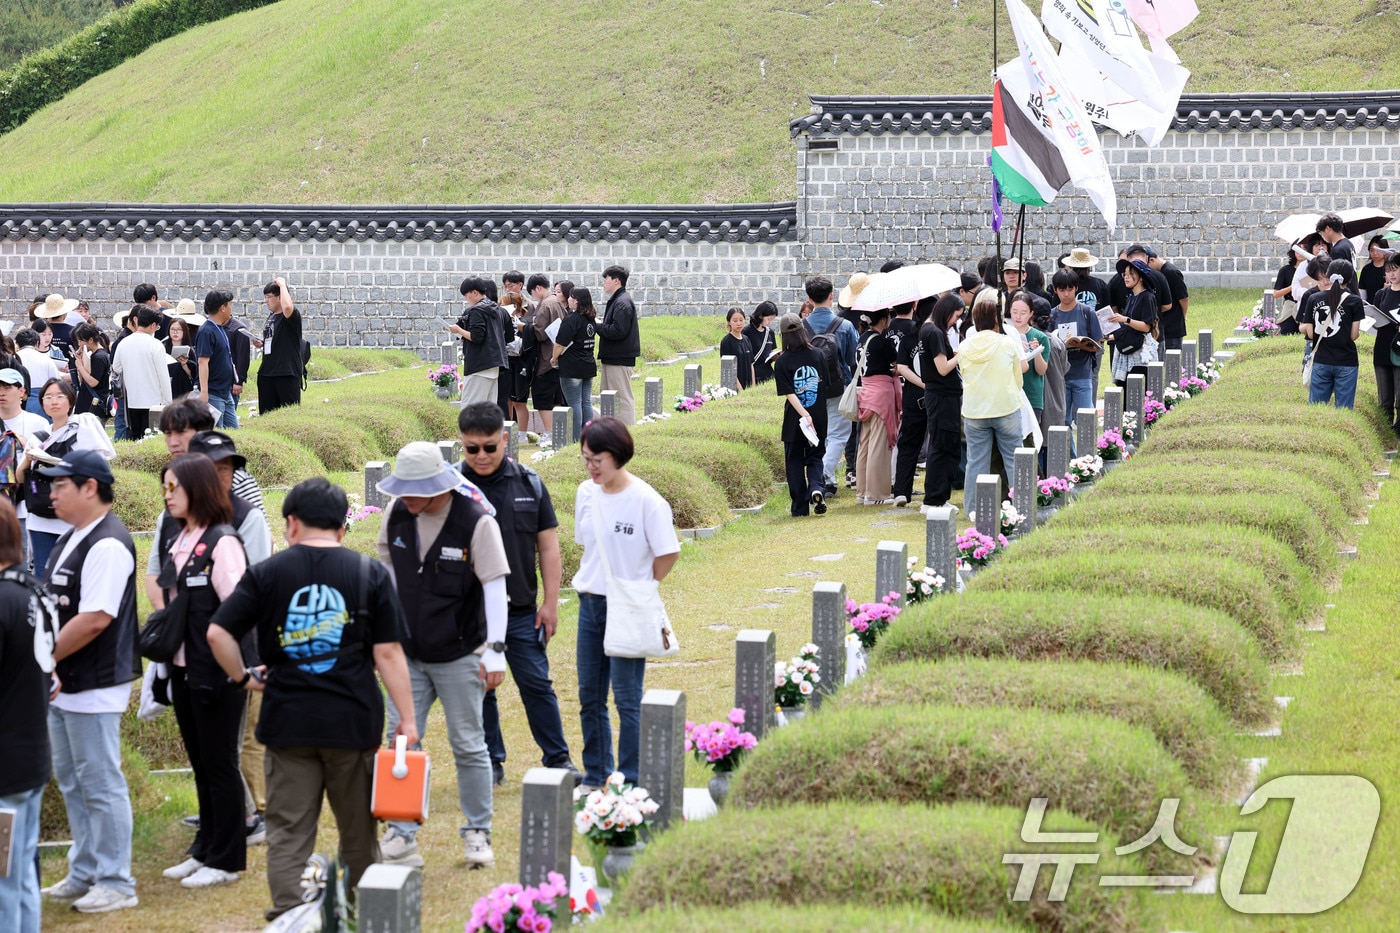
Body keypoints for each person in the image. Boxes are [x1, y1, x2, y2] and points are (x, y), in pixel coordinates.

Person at [205, 478, 417, 922]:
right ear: (343, 528)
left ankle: (289, 917)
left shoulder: (267, 573)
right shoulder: (368, 573)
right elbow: (389, 653)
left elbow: (218, 632)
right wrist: (408, 721)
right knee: (358, 832)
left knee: (288, 832)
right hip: (353, 723)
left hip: (287, 723)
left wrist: (242, 678)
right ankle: (360, 917)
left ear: (291, 523)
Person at [374, 443, 510, 870]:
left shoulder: (475, 521)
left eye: (415, 491)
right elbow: (389, 575)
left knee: (469, 744)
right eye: (403, 490)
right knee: (400, 742)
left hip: (460, 652)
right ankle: (400, 833)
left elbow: (494, 587)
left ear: (438, 487)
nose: (407, 498)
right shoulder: (396, 514)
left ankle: (476, 832)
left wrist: (496, 651)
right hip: (407, 654)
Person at [154, 430, 273, 836]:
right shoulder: (173, 524)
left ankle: (245, 817)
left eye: (228, 469)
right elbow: (161, 579)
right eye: (214, 469)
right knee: (208, 755)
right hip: (188, 655)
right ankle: (218, 825)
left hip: (227, 656)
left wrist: (244, 662)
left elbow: (248, 596)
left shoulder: (238, 523)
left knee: (233, 747)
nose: (223, 477)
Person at [455, 403, 581, 786]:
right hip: (469, 613)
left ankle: (558, 760)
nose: (481, 456)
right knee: (481, 689)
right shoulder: (452, 489)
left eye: (489, 448)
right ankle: (490, 762)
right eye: (471, 449)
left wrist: (550, 604)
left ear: (504, 440)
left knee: (537, 685)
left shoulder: (529, 483)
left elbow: (548, 547)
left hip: (522, 609)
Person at [39, 450, 140, 914]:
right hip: (65, 681)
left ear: (90, 488)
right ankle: (85, 871)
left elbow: (96, 617)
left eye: (61, 485)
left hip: (95, 681)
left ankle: (117, 880)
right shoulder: (73, 537)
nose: (51, 492)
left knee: (100, 781)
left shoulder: (108, 543)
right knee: (73, 780)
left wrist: (41, 657)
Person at [148, 455, 249, 890]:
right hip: (184, 669)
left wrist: (233, 668)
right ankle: (205, 847)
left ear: (199, 490)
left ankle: (226, 859)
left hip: (217, 673)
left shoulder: (222, 541)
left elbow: (238, 611)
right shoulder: (182, 535)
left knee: (220, 764)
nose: (168, 496)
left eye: (175, 488)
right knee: (201, 764)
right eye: (165, 488)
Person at [573, 418, 680, 789]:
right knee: (590, 695)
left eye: (597, 459)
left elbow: (667, 553)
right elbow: (585, 545)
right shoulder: (586, 494)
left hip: (628, 606)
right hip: (590, 603)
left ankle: (631, 777)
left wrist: (642, 585)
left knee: (627, 697)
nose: (591, 467)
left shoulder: (647, 501)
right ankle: (596, 771)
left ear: (618, 455)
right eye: (585, 458)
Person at [0, 495, 59, 933]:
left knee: (3, 882)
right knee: (19, 874)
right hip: (32, 751)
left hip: (4, 762)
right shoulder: (36, 591)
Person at [18, 379, 115, 574]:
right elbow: (20, 477)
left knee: (74, 575)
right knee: (43, 575)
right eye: (48, 397)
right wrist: (29, 460)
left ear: (71, 401)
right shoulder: (38, 437)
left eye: (60, 397)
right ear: (42, 403)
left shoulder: (83, 430)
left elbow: (98, 470)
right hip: (40, 517)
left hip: (74, 518)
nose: (54, 401)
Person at [958, 300, 1024, 497]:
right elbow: (1017, 379)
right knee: (1014, 460)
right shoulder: (1007, 343)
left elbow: (964, 373)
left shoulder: (964, 346)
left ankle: (973, 509)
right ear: (997, 319)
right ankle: (1021, 507)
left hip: (974, 411)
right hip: (1006, 408)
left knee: (975, 462)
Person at [803, 277, 858, 496]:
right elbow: (853, 359)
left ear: (809, 298)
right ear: (832, 296)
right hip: (838, 386)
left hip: (808, 388)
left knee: (817, 434)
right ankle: (823, 477)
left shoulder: (801, 326)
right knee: (838, 435)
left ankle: (822, 479)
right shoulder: (844, 326)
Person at [773, 313, 828, 516]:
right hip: (819, 416)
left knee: (794, 461)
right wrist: (812, 415)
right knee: (815, 457)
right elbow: (825, 385)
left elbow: (790, 393)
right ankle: (816, 487)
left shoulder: (782, 362)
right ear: (803, 331)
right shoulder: (819, 355)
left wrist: (804, 415)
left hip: (795, 419)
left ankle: (799, 508)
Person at [1300, 260, 1365, 409]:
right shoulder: (1355, 301)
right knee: (1344, 410)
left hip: (1321, 360)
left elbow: (1310, 334)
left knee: (1316, 409)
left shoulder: (1313, 298)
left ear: (1329, 275)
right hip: (1346, 361)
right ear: (1349, 280)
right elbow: (1353, 336)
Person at [1050, 268, 1103, 448]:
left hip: (1082, 372)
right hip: (1060, 376)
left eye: (1070, 289)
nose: (1066, 294)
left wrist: (1082, 344)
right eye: (1062, 290)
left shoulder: (1087, 312)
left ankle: (1088, 456)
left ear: (1076, 289)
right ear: (1055, 290)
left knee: (1085, 417)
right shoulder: (1052, 315)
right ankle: (1070, 456)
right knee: (1061, 420)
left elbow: (1098, 342)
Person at [854, 308, 900, 506]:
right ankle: (875, 494)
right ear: (883, 319)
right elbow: (896, 362)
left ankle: (862, 491)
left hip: (865, 392)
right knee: (878, 446)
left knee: (865, 444)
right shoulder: (882, 341)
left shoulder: (862, 338)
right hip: (881, 394)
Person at [892, 296, 934, 507]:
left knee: (908, 443)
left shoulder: (909, 338)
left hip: (912, 397)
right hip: (935, 397)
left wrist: (919, 384)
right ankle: (933, 492)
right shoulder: (936, 335)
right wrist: (928, 385)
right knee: (936, 444)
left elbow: (901, 367)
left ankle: (901, 491)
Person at [111, 307, 171, 438]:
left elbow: (116, 368)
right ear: (153, 325)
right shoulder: (156, 345)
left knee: (135, 438)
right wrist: (168, 402)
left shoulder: (123, 343)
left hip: (132, 401)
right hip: (154, 402)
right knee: (152, 439)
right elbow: (163, 377)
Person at [451, 277, 509, 407]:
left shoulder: (476, 311)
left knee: (470, 408)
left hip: (479, 365)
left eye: (466, 295)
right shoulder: (494, 308)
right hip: (493, 365)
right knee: (488, 410)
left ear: (475, 293)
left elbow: (477, 337)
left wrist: (458, 330)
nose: (466, 299)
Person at [553, 287, 598, 441]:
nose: (569, 300)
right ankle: (588, 435)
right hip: (588, 364)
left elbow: (559, 343)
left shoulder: (571, 319)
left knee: (575, 403)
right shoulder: (590, 317)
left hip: (572, 366)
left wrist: (554, 358)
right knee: (586, 402)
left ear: (577, 300)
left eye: (571, 297)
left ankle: (576, 438)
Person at [1108, 259, 1161, 387]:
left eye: (1130, 274)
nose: (1126, 277)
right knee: (1123, 387)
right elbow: (1127, 328)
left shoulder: (1147, 297)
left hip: (1141, 353)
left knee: (1137, 389)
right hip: (1127, 349)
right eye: (1124, 274)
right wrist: (1109, 337)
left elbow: (1146, 327)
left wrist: (1125, 320)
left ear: (1141, 277)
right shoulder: (1132, 296)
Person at [597, 266, 640, 425]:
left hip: (620, 357)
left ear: (616, 281)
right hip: (612, 357)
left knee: (621, 397)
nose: (603, 283)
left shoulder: (622, 302)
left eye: (606, 279)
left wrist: (597, 326)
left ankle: (627, 431)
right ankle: (611, 430)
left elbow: (618, 331)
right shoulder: (617, 300)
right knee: (608, 395)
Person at [1126, 245, 1189, 352]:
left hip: (1173, 324)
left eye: (1146, 265)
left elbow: (1184, 298)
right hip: (1161, 324)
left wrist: (1183, 315)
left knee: (1171, 359)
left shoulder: (1170, 272)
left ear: (1150, 260)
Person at [1007, 292, 1050, 443]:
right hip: (1009, 394)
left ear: (1031, 314)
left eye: (1023, 313)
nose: (1018, 317)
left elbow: (1041, 370)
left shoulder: (1040, 336)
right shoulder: (1005, 334)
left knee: (1031, 440)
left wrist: (1036, 351)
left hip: (1032, 393)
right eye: (1014, 312)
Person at [256, 278, 303, 414]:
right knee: (266, 415)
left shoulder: (290, 316)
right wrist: (262, 343)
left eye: (269, 297)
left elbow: (287, 307)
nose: (266, 301)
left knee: (289, 415)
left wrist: (282, 284)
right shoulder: (271, 317)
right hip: (267, 372)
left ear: (280, 297)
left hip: (286, 373)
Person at [196, 291, 239, 429]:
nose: (231, 309)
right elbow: (202, 362)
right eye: (230, 305)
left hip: (225, 391)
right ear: (223, 308)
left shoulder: (219, 328)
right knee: (216, 434)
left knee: (234, 431)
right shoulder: (206, 331)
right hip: (213, 393)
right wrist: (204, 392)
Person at [528, 275, 565, 435]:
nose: (533, 297)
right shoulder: (556, 301)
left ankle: (550, 433)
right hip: (558, 357)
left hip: (546, 359)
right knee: (556, 398)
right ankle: (558, 433)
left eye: (532, 293)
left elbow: (539, 333)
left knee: (543, 398)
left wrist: (524, 326)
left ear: (538, 288)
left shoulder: (546, 304)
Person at [1373, 253, 1400, 432]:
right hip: (1382, 349)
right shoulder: (1381, 294)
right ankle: (1386, 433)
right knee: (1384, 399)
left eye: (1395, 269)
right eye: (1388, 271)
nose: (1391, 274)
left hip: (1399, 351)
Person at [14, 329, 60, 419]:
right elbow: (57, 383)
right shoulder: (46, 359)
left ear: (18, 344)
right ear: (37, 343)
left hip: (18, 402)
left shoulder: (14, 359)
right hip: (42, 404)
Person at [719, 307, 756, 389]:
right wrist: (741, 390)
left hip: (749, 387)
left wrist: (753, 387)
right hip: (735, 388)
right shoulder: (726, 342)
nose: (739, 323)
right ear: (729, 322)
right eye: (735, 321)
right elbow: (729, 369)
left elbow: (751, 364)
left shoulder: (746, 339)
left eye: (741, 320)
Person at [745, 301, 779, 385]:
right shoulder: (747, 332)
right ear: (760, 315)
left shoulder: (770, 332)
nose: (770, 322)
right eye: (769, 319)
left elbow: (770, 353)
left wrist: (775, 357)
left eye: (772, 319)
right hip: (752, 373)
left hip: (768, 373)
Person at [164, 317, 198, 398]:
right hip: (167, 384)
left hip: (183, 386)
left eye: (179, 329)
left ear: (184, 331)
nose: (175, 332)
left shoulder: (190, 350)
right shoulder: (163, 348)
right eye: (172, 329)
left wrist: (184, 364)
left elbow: (192, 375)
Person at [1359, 236, 1389, 302]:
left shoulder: (1390, 269)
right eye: (1372, 250)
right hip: (1370, 307)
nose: (1375, 253)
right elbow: (1363, 293)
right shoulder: (1366, 269)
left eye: (1378, 250)